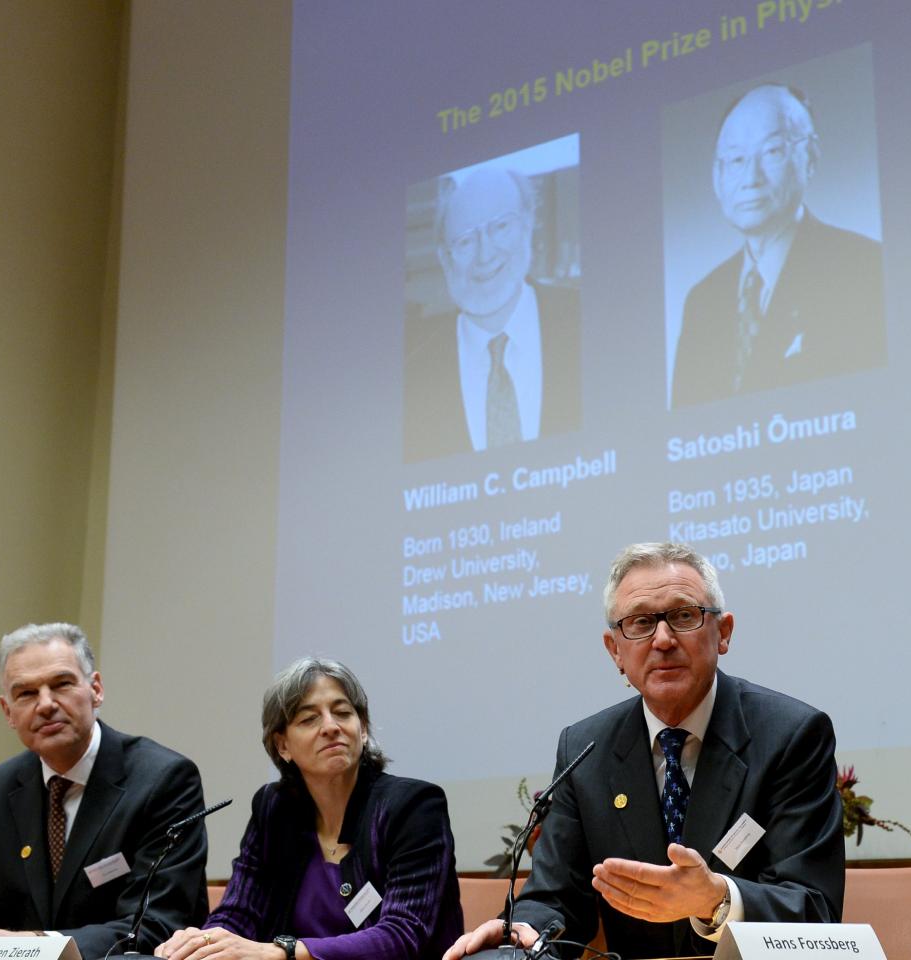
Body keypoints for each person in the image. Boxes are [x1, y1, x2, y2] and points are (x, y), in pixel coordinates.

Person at [444, 543, 844, 960]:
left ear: (723, 632)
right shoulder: (585, 750)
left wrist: (717, 900)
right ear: (615, 650)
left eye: (684, 616)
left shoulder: (790, 735)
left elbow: (813, 906)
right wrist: (523, 930)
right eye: (640, 623)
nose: (663, 639)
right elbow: (555, 898)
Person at [0, 623, 208, 960]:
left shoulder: (162, 779)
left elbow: (155, 926)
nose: (46, 704)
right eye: (26, 694)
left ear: (96, 689)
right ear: (8, 712)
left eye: (61, 684)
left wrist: (30, 944)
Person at [155, 658, 462, 960]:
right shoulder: (274, 808)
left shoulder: (413, 806)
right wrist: (204, 945)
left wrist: (279, 952)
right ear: (282, 746)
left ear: (363, 729)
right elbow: (240, 911)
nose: (331, 727)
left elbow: (402, 936)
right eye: (308, 719)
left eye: (343, 713)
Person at [672, 84, 885, 408]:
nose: (750, 178)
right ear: (717, 177)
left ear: (810, 159)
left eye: (772, 152)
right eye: (736, 159)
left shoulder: (866, 267)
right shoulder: (702, 300)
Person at [403, 167, 581, 463]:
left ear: (528, 225)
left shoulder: (589, 323)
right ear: (444, 259)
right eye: (465, 241)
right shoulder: (412, 379)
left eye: (500, 227)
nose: (485, 255)